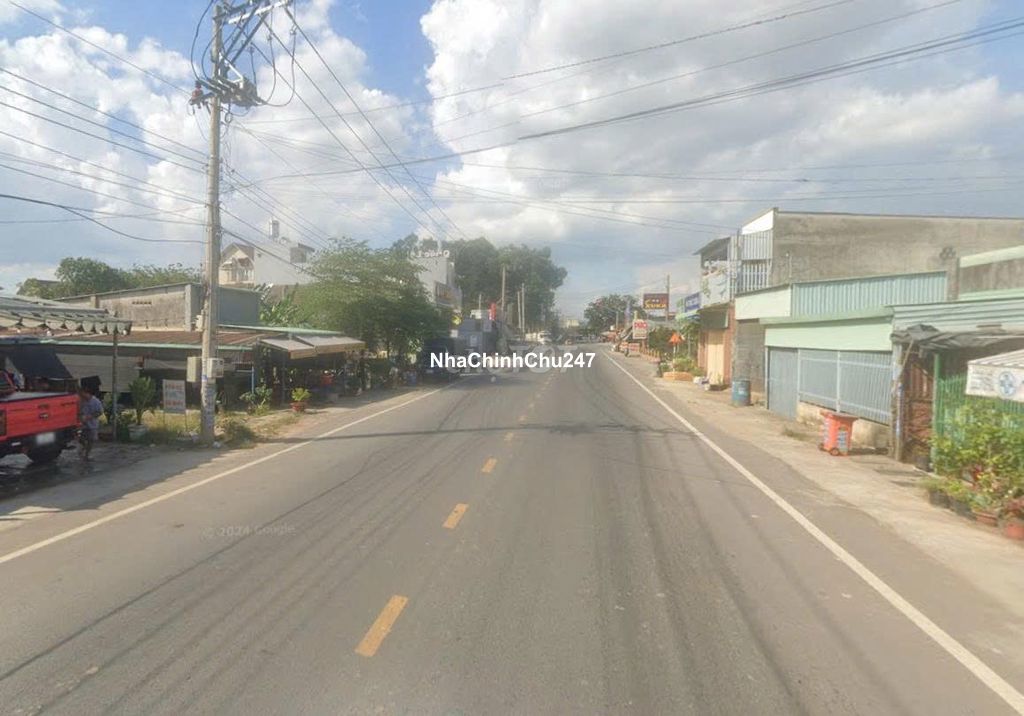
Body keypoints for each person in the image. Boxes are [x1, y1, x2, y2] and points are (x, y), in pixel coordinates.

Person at [78, 386, 103, 461]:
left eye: (83, 394)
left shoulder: (96, 401)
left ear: (88, 393)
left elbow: (99, 412)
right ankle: (84, 448)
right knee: (81, 439)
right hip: (83, 424)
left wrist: (89, 417)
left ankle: (87, 455)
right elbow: (78, 411)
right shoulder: (82, 401)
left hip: (92, 424)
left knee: (91, 440)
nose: (82, 396)